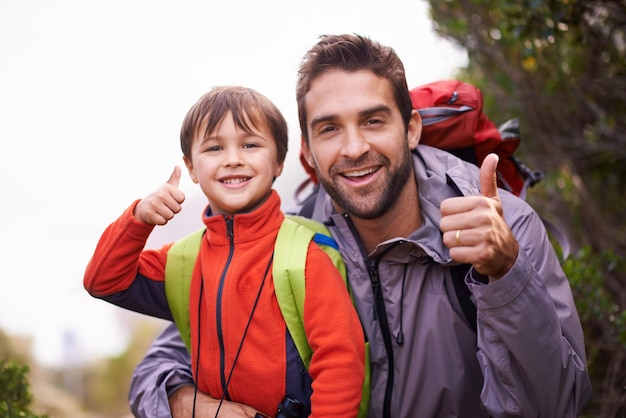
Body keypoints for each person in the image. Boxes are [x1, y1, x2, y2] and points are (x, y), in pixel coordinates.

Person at [128, 35, 592, 418]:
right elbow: (159, 367)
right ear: (308, 153)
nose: (353, 148)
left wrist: (505, 274)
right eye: (329, 129)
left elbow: (562, 405)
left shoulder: (503, 225)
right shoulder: (284, 243)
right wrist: (189, 403)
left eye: (373, 120)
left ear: (410, 129)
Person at [83, 85, 365, 417]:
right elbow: (103, 281)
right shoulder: (184, 261)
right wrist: (137, 220)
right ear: (191, 167)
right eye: (214, 148)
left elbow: (341, 360)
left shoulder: (305, 256)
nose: (233, 159)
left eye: (250, 145)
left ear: (278, 162)